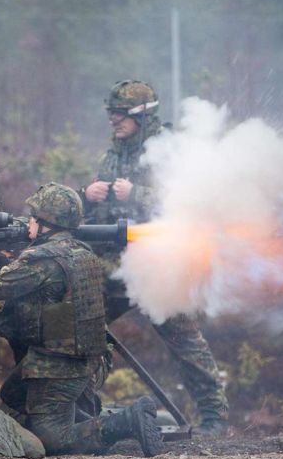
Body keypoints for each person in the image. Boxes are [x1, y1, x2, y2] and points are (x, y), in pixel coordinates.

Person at [0, 182, 163, 456]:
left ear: (46, 223)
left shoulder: (41, 259)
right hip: (90, 358)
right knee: (13, 397)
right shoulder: (79, 251)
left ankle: (126, 422)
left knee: (52, 439)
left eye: (34, 216)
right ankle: (85, 419)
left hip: (61, 366)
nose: (29, 221)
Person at [81, 80, 230, 437]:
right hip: (116, 263)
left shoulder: (169, 150)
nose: (114, 121)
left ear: (142, 116)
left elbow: (190, 201)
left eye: (121, 115)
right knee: (82, 327)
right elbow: (97, 210)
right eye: (111, 115)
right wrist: (88, 195)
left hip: (159, 263)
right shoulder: (113, 154)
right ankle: (73, 410)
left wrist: (138, 193)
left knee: (184, 340)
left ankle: (215, 418)